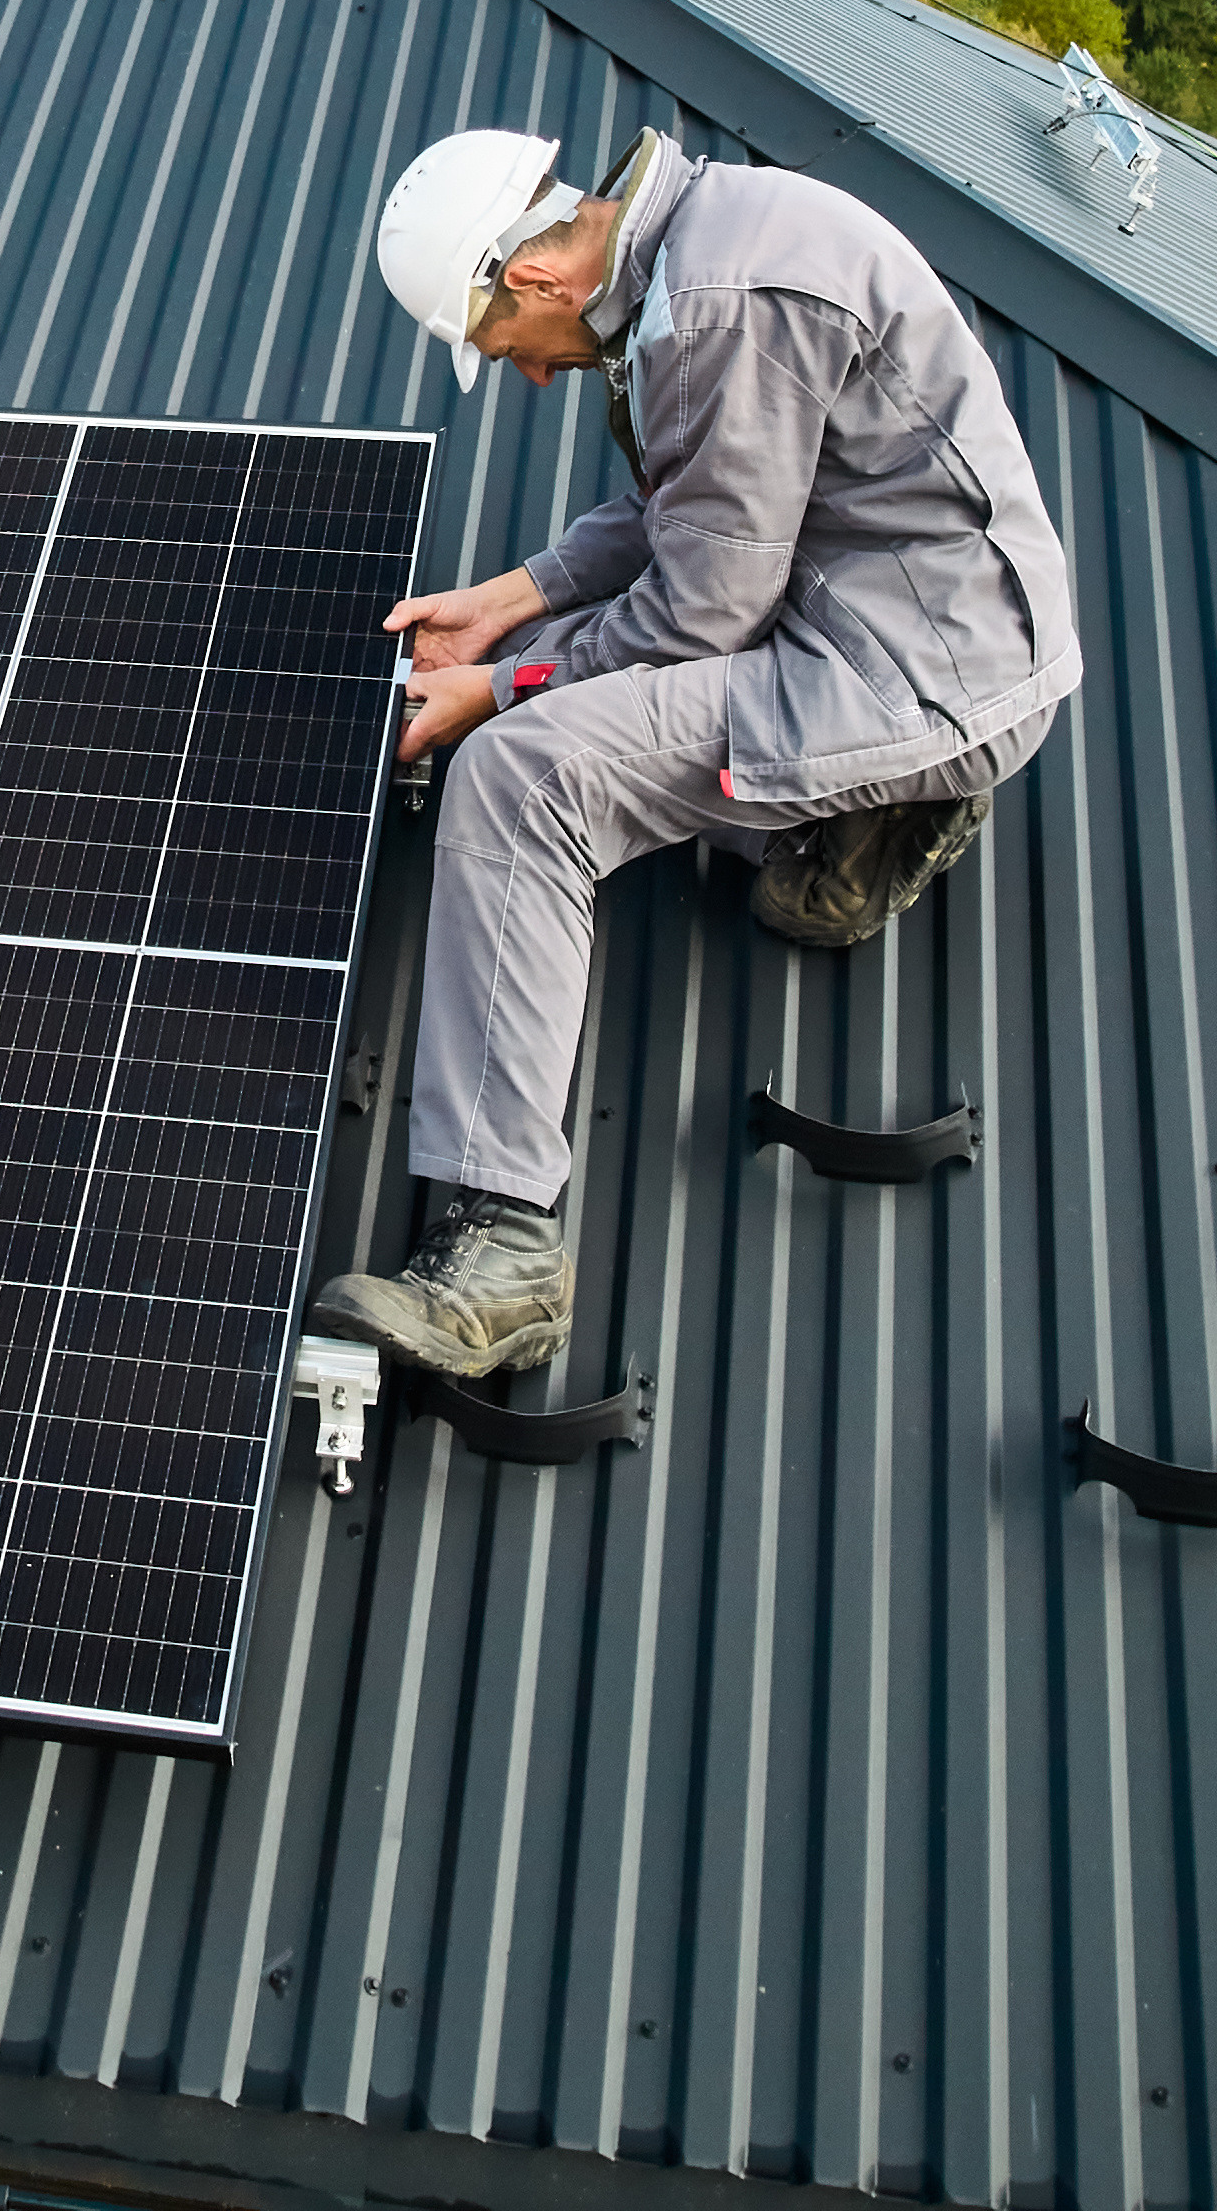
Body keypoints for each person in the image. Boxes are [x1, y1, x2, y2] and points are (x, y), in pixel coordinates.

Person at [312, 125, 1078, 1379]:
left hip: (911, 669)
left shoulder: (712, 308)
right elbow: (698, 497)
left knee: (523, 777)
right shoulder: (703, 239)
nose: (533, 380)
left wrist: (501, 689)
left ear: (537, 281)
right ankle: (850, 820)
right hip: (877, 609)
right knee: (579, 683)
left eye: (506, 349)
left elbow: (696, 612)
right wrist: (514, 596)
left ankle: (503, 1245)